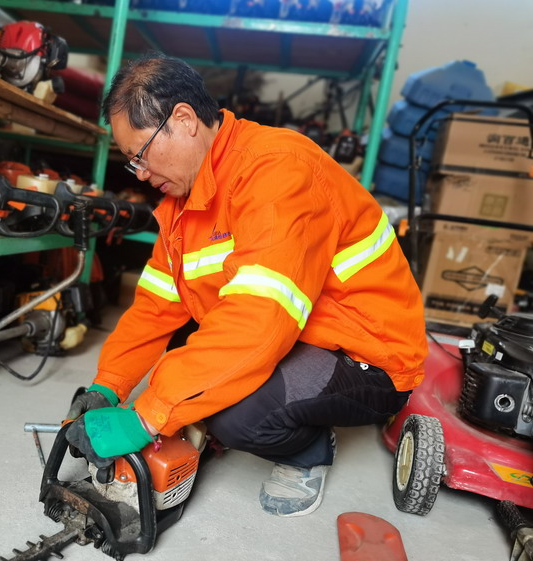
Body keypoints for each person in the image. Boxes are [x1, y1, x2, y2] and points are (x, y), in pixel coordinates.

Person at [65, 52, 427, 517]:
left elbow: (259, 321)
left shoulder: (279, 170)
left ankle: (309, 451)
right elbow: (156, 306)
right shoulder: (183, 202)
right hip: (301, 335)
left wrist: (147, 417)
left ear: (184, 120)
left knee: (229, 414)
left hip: (368, 354)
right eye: (132, 162)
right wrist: (108, 386)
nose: (141, 173)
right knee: (194, 375)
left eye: (141, 155)